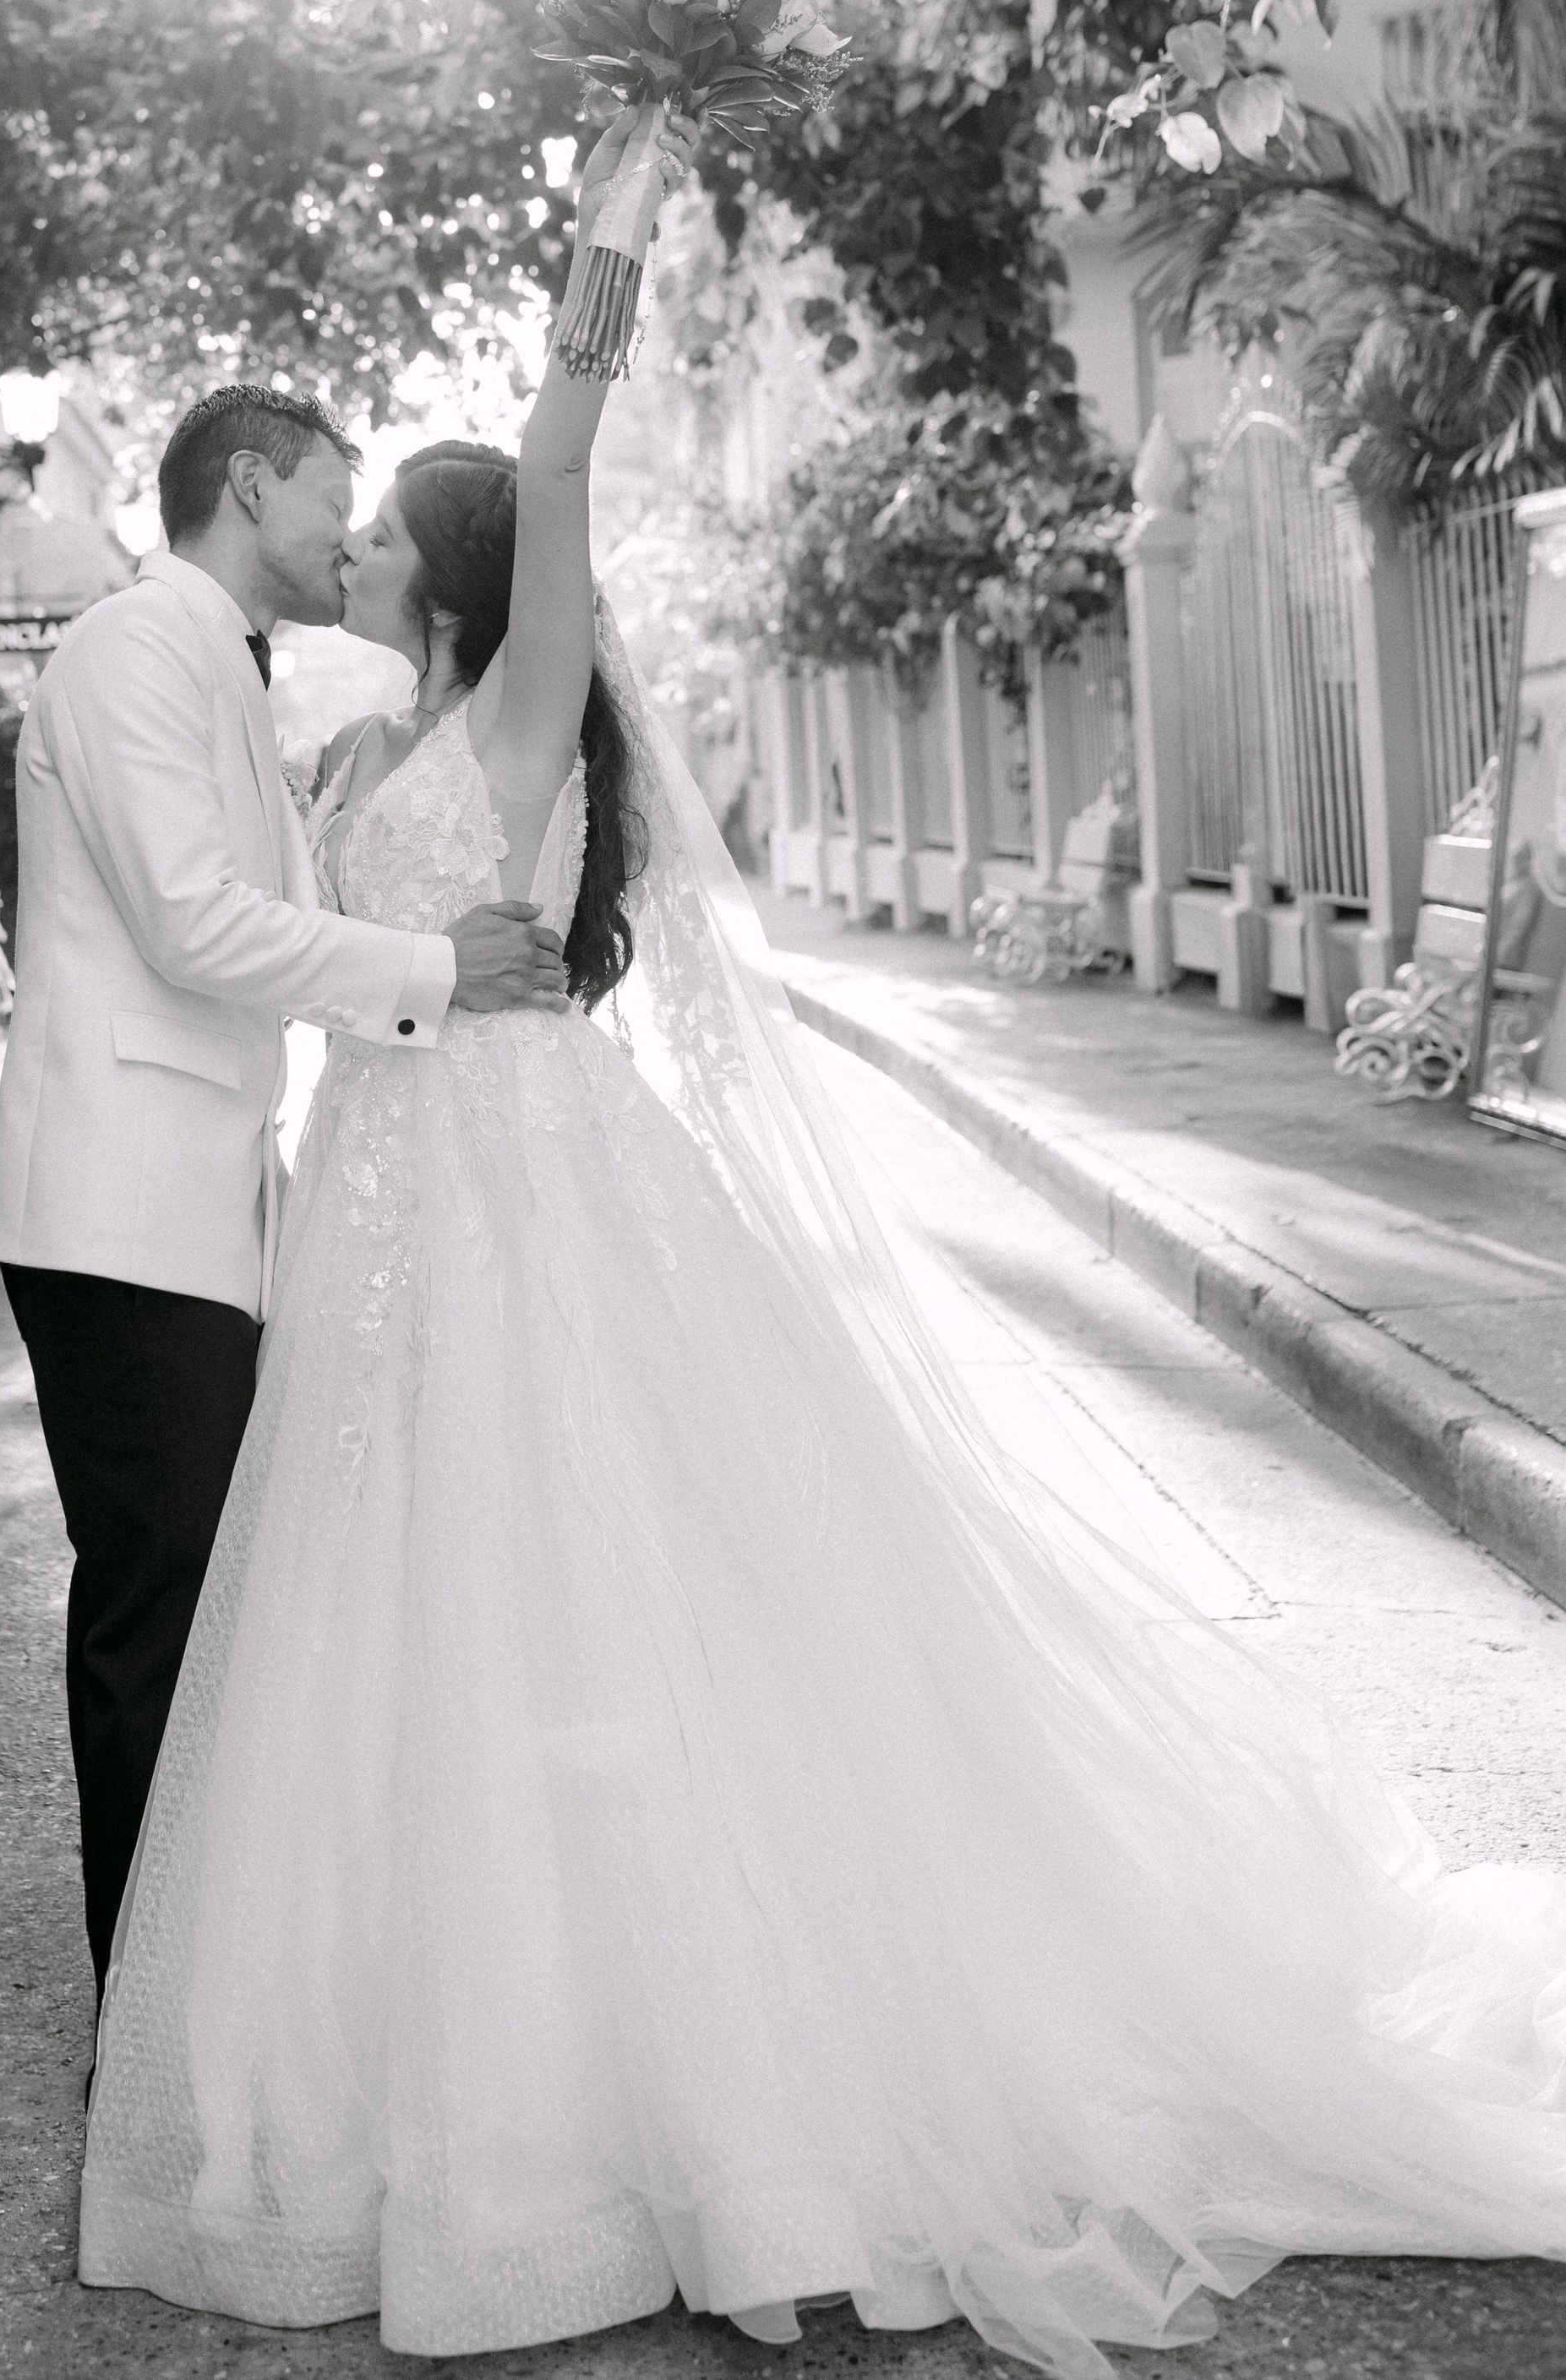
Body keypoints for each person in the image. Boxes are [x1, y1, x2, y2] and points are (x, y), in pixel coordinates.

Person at [78, 123, 1566, 2379]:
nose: (358, 536)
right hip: (388, 1199)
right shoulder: (374, 726)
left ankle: (704, 2118)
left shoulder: (517, 679)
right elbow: (297, 932)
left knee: (571, 1584)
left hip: (519, 1191)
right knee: (396, 1621)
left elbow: (557, 453)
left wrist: (603, 233)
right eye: (346, 516)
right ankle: (429, 2084)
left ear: (461, 559)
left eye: (387, 520)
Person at [0, 384, 568, 1997]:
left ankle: (194, 1999)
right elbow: (192, 927)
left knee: (198, 1615)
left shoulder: (220, 665)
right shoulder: (134, 651)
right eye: (333, 494)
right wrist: (436, 967)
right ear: (250, 487)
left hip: (201, 1210)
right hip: (120, 1208)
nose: (344, 529)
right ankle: (149, 2025)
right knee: (157, 1622)